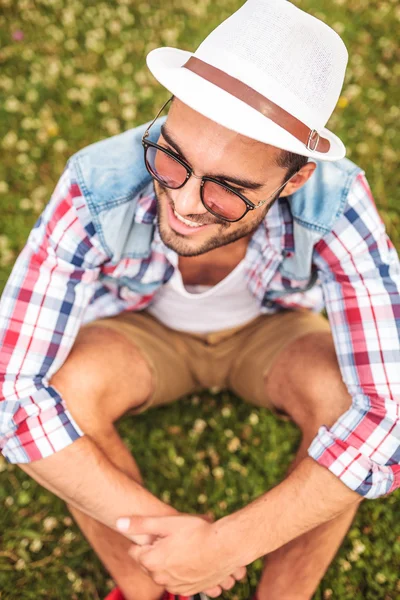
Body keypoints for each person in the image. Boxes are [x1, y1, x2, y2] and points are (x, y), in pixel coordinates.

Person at [1, 0, 399, 599]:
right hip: (142, 330)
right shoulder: (97, 182)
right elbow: (11, 393)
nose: (185, 205)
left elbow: (387, 416)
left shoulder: (337, 204)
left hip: (272, 332)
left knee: (344, 397)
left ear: (294, 179)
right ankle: (153, 590)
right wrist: (179, 545)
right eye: (173, 159)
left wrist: (225, 546)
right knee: (65, 387)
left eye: (228, 191)